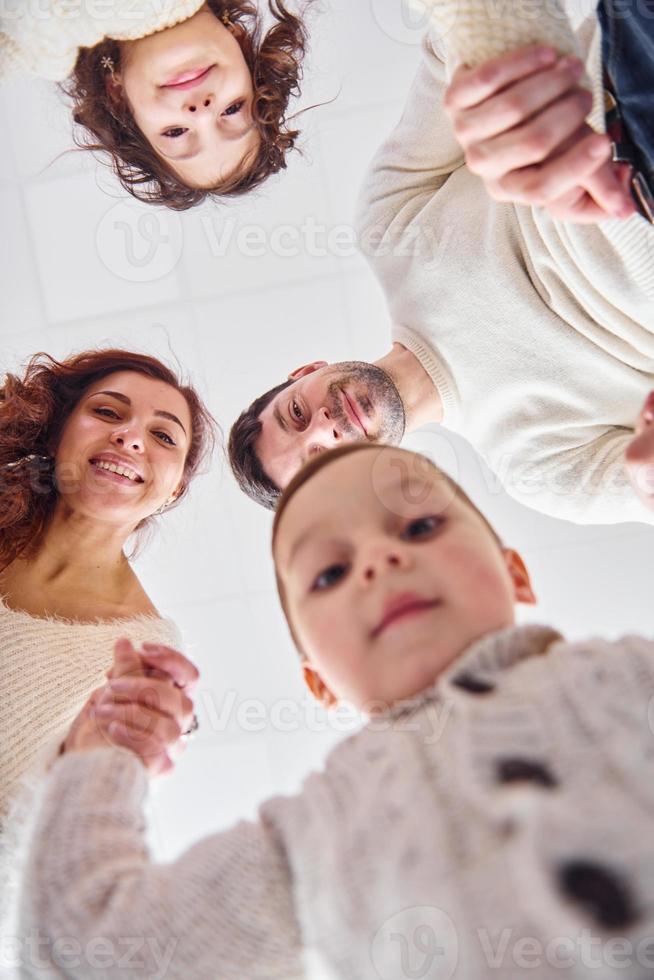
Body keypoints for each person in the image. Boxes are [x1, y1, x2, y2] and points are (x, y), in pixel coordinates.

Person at [17, 442, 654, 978]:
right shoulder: (311, 837)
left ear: (514, 571)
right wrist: (108, 745)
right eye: (329, 573)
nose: (379, 560)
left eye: (419, 527)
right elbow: (82, 954)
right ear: (317, 680)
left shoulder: (632, 672)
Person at [228, 0, 654, 524]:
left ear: (308, 371)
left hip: (626, 97)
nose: (325, 427)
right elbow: (638, 487)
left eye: (296, 412)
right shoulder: (535, 472)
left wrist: (511, 108)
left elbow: (451, 43)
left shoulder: (384, 227)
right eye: (321, 459)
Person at [0, 347, 216, 923]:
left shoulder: (145, 656)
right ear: (57, 436)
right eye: (108, 412)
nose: (132, 438)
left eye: (164, 437)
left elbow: (56, 839)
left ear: (172, 491)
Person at [0, 1, 310, 209]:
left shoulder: (35, 43)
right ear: (240, 43)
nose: (201, 113)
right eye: (232, 110)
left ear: (117, 95)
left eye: (176, 132)